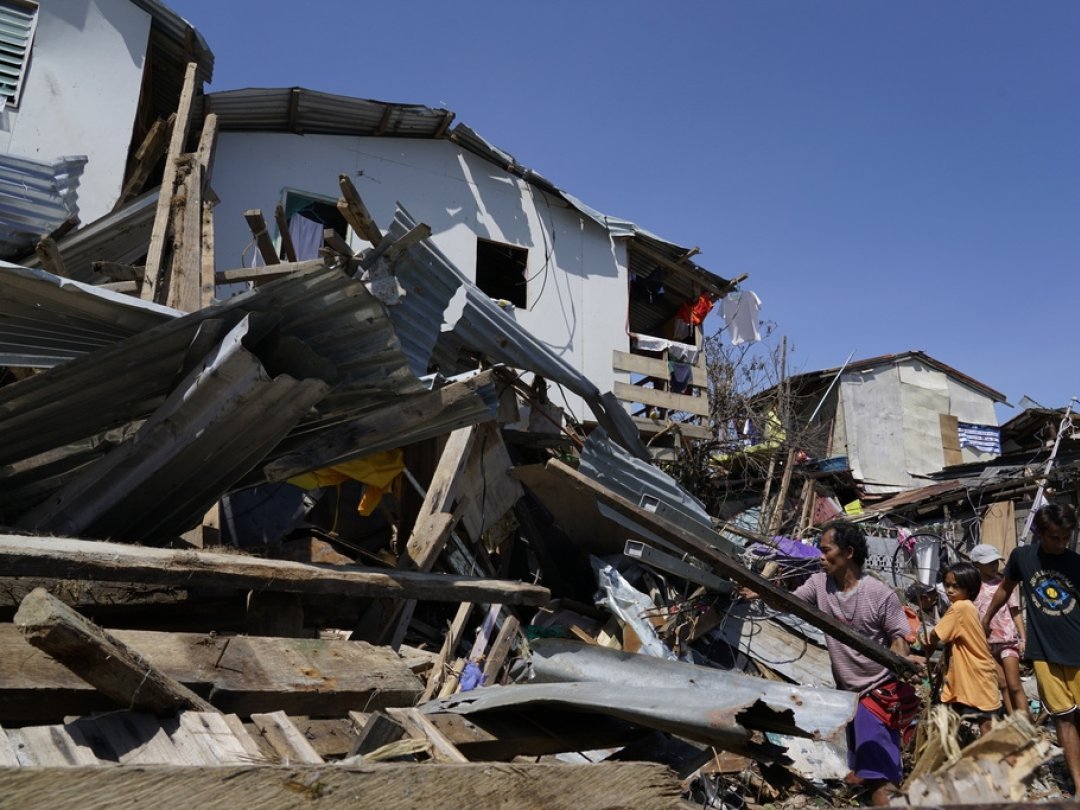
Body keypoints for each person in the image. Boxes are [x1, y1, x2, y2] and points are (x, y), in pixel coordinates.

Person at [746, 520, 914, 806]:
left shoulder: (878, 593)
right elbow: (788, 603)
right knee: (868, 769)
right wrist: (760, 592)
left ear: (848, 552)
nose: (821, 557)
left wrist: (900, 659)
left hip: (877, 693)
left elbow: (901, 639)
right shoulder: (819, 585)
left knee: (880, 777)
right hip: (850, 696)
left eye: (826, 550)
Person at [982, 504, 1080, 799]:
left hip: (1078, 649)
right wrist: (985, 618)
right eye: (1054, 537)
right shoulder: (1022, 558)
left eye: (1065, 537)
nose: (1060, 543)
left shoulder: (1077, 564)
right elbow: (1005, 589)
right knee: (1063, 717)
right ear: (1038, 533)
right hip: (1045, 653)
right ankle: (1078, 782)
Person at [925, 561, 1003, 734]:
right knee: (978, 720)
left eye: (956, 586)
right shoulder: (969, 607)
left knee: (986, 725)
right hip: (976, 672)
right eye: (947, 585)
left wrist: (922, 638)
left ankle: (990, 757)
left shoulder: (959, 608)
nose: (949, 590)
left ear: (970, 588)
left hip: (975, 674)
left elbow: (936, 635)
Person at [969, 543, 1029, 717]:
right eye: (989, 563)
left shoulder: (1005, 584)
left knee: (1014, 684)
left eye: (996, 562)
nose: (994, 566)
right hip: (986, 643)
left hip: (1007, 640)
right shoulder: (973, 588)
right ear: (977, 565)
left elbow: (1015, 611)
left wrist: (1023, 638)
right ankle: (1013, 722)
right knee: (1002, 684)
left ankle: (1028, 725)